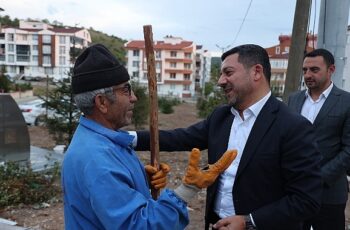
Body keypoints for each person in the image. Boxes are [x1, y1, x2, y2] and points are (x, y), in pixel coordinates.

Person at [134, 44, 323, 230]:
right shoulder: (221, 117)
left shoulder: (293, 127)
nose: (220, 81)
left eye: (228, 73)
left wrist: (249, 221)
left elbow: (306, 199)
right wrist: (127, 138)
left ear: (256, 72)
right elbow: (179, 138)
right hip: (217, 223)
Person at [61, 43, 237, 230]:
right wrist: (188, 189)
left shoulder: (100, 143)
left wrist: (138, 181)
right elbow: (142, 226)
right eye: (125, 90)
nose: (134, 98)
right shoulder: (97, 159)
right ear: (102, 102)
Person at [288, 48, 350, 230]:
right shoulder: (294, 100)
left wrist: (319, 177)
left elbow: (348, 149)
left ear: (331, 70)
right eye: (305, 70)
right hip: (294, 191)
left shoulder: (346, 102)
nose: (308, 75)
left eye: (314, 70)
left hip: (329, 193)